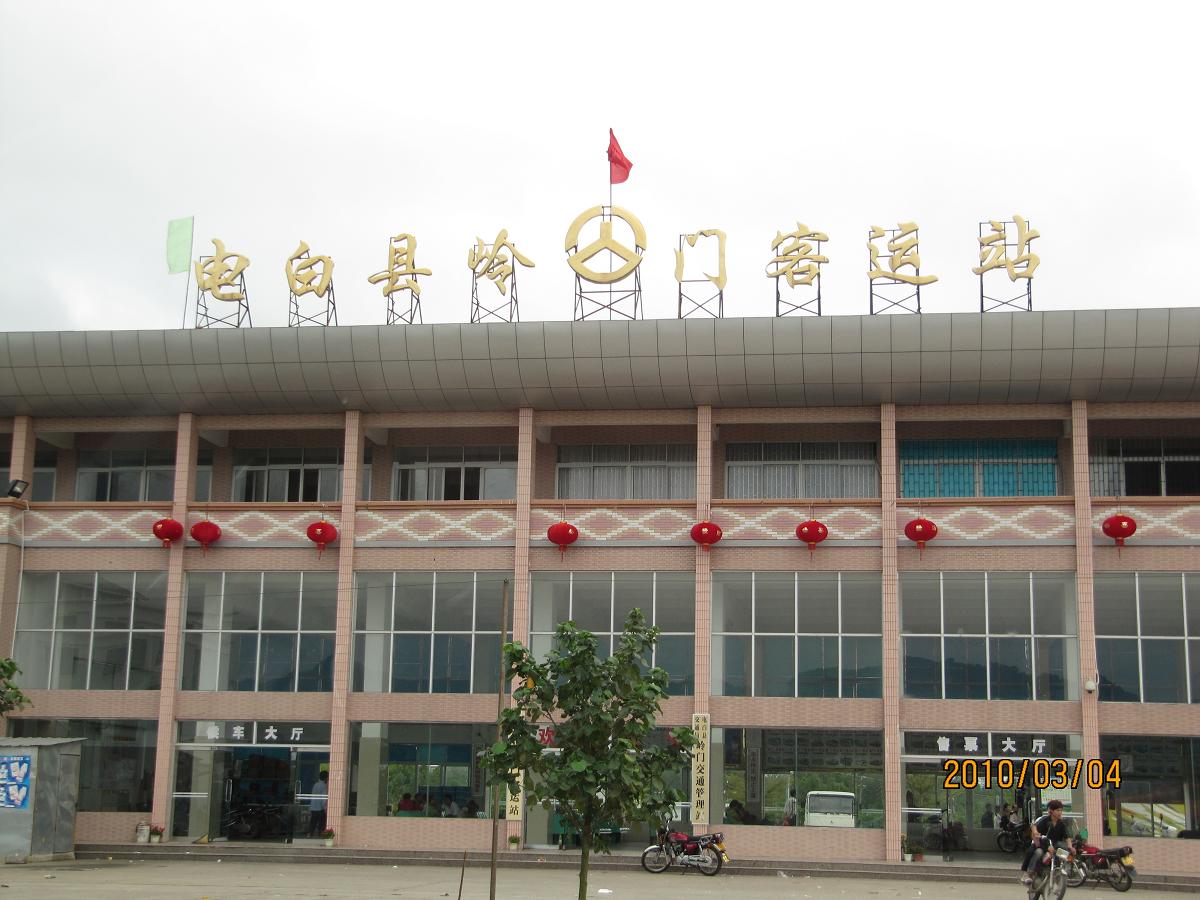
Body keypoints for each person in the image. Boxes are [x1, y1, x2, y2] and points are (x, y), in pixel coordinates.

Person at [1020, 799, 1068, 886]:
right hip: (1042, 844)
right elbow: (1034, 826)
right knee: (1038, 852)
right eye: (1058, 810)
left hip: (1054, 846)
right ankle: (1029, 873)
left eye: (1061, 810)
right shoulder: (1044, 820)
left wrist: (1070, 846)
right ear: (1051, 811)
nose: (1060, 812)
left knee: (1065, 854)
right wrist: (1036, 833)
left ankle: (1058, 872)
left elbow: (1067, 836)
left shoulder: (1061, 823)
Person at [308, 771, 329, 837]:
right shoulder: (324, 786)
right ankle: (320, 836)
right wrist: (325, 808)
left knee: (313, 823)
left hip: (313, 808)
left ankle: (310, 834)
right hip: (320, 808)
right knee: (321, 824)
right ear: (326, 778)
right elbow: (324, 799)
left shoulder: (315, 785)